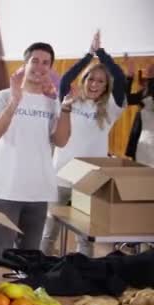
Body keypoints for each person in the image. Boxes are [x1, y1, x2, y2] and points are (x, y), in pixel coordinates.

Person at [41, 31, 126, 256]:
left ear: (106, 87)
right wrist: (89, 56)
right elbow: (68, 77)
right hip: (60, 175)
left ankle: (83, 275)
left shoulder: (110, 109)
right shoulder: (70, 100)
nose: (95, 84)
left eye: (101, 81)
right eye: (91, 79)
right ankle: (41, 274)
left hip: (89, 180)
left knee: (85, 238)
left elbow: (119, 76)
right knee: (50, 232)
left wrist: (102, 54)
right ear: (84, 80)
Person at [0, 42, 70, 260]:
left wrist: (66, 108)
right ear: (25, 64)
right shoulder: (2, 96)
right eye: (35, 61)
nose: (40, 67)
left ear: (50, 68)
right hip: (6, 190)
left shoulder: (53, 103)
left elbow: (60, 141)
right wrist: (15, 102)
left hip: (38, 191)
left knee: (30, 259)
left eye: (46, 63)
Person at [125, 59, 154, 166]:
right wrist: (129, 77)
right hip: (140, 141)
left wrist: (151, 79)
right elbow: (126, 100)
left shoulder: (149, 92)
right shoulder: (145, 92)